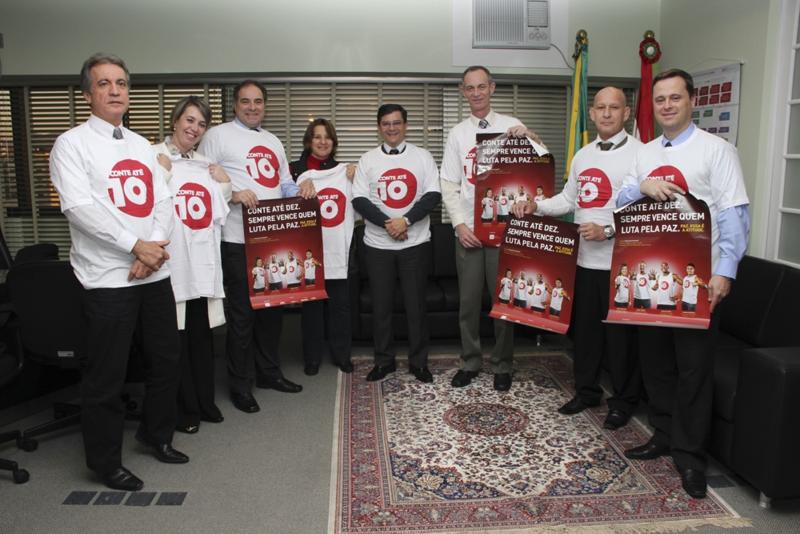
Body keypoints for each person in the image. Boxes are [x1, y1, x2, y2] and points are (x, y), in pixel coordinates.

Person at [49, 53, 188, 492]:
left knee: (166, 361)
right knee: (107, 377)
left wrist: (152, 249)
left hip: (152, 274)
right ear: (88, 93)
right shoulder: (70, 144)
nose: (115, 91)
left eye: (122, 83)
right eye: (105, 83)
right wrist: (136, 246)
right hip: (108, 280)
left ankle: (155, 434)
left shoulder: (141, 145)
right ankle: (106, 463)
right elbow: (79, 209)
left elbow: (162, 201)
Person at [616, 69, 750, 499]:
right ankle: (664, 434)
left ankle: (690, 456)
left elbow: (734, 214)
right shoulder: (643, 152)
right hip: (650, 281)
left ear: (691, 100)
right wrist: (642, 185)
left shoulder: (718, 150)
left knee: (694, 371)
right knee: (657, 366)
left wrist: (725, 271)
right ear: (652, 105)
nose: (667, 105)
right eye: (660, 99)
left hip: (697, 284)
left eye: (675, 97)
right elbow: (618, 202)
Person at [513, 86, 642, 430]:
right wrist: (536, 205)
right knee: (584, 335)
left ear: (626, 113)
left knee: (621, 342)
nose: (606, 114)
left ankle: (623, 402)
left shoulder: (643, 155)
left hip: (621, 266)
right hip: (584, 262)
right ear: (592, 112)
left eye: (614, 107)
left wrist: (608, 231)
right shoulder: (583, 154)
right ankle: (586, 392)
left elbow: (646, 211)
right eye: (600, 107)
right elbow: (569, 200)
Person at [199, 80, 302, 414]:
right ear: (235, 105)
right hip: (237, 239)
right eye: (246, 101)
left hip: (274, 240)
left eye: (258, 101)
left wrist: (301, 193)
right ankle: (240, 385)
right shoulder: (217, 135)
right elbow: (200, 179)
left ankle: (269, 373)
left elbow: (284, 182)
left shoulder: (272, 140)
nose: (252, 107)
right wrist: (232, 194)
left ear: (265, 106)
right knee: (242, 317)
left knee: (273, 314)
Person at [440, 65, 542, 392]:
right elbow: (449, 183)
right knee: (468, 303)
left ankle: (502, 364)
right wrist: (458, 224)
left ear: (492, 87)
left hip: (505, 230)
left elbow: (541, 161)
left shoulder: (512, 124)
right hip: (470, 231)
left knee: (504, 302)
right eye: (470, 88)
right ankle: (470, 361)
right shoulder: (457, 134)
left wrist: (531, 138)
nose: (476, 93)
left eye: (481, 86)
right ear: (463, 91)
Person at [152, 95, 231, 434]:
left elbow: (222, 206)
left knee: (201, 338)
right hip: (170, 266)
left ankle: (204, 401)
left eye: (201, 124)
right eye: (189, 120)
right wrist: (161, 174)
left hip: (200, 265)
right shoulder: (154, 156)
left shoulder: (204, 165)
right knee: (175, 342)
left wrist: (223, 180)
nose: (194, 128)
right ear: (175, 120)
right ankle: (185, 409)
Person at [352, 104, 441, 383]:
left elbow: (432, 195)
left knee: (416, 307)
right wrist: (389, 225)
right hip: (378, 245)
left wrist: (406, 221)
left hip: (415, 243)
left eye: (397, 123)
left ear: (406, 125)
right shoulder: (367, 159)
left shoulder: (422, 156)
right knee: (381, 307)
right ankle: (384, 361)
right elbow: (360, 200)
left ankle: (419, 362)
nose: (392, 128)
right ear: (379, 127)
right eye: (386, 123)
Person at [291, 118, 357, 375]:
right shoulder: (294, 171)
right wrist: (297, 187)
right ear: (309, 141)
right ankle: (312, 357)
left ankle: (342, 355)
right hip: (309, 249)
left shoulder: (345, 171)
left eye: (327, 137)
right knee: (312, 308)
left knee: (341, 306)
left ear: (334, 142)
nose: (322, 142)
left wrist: (356, 174)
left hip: (339, 249)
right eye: (317, 137)